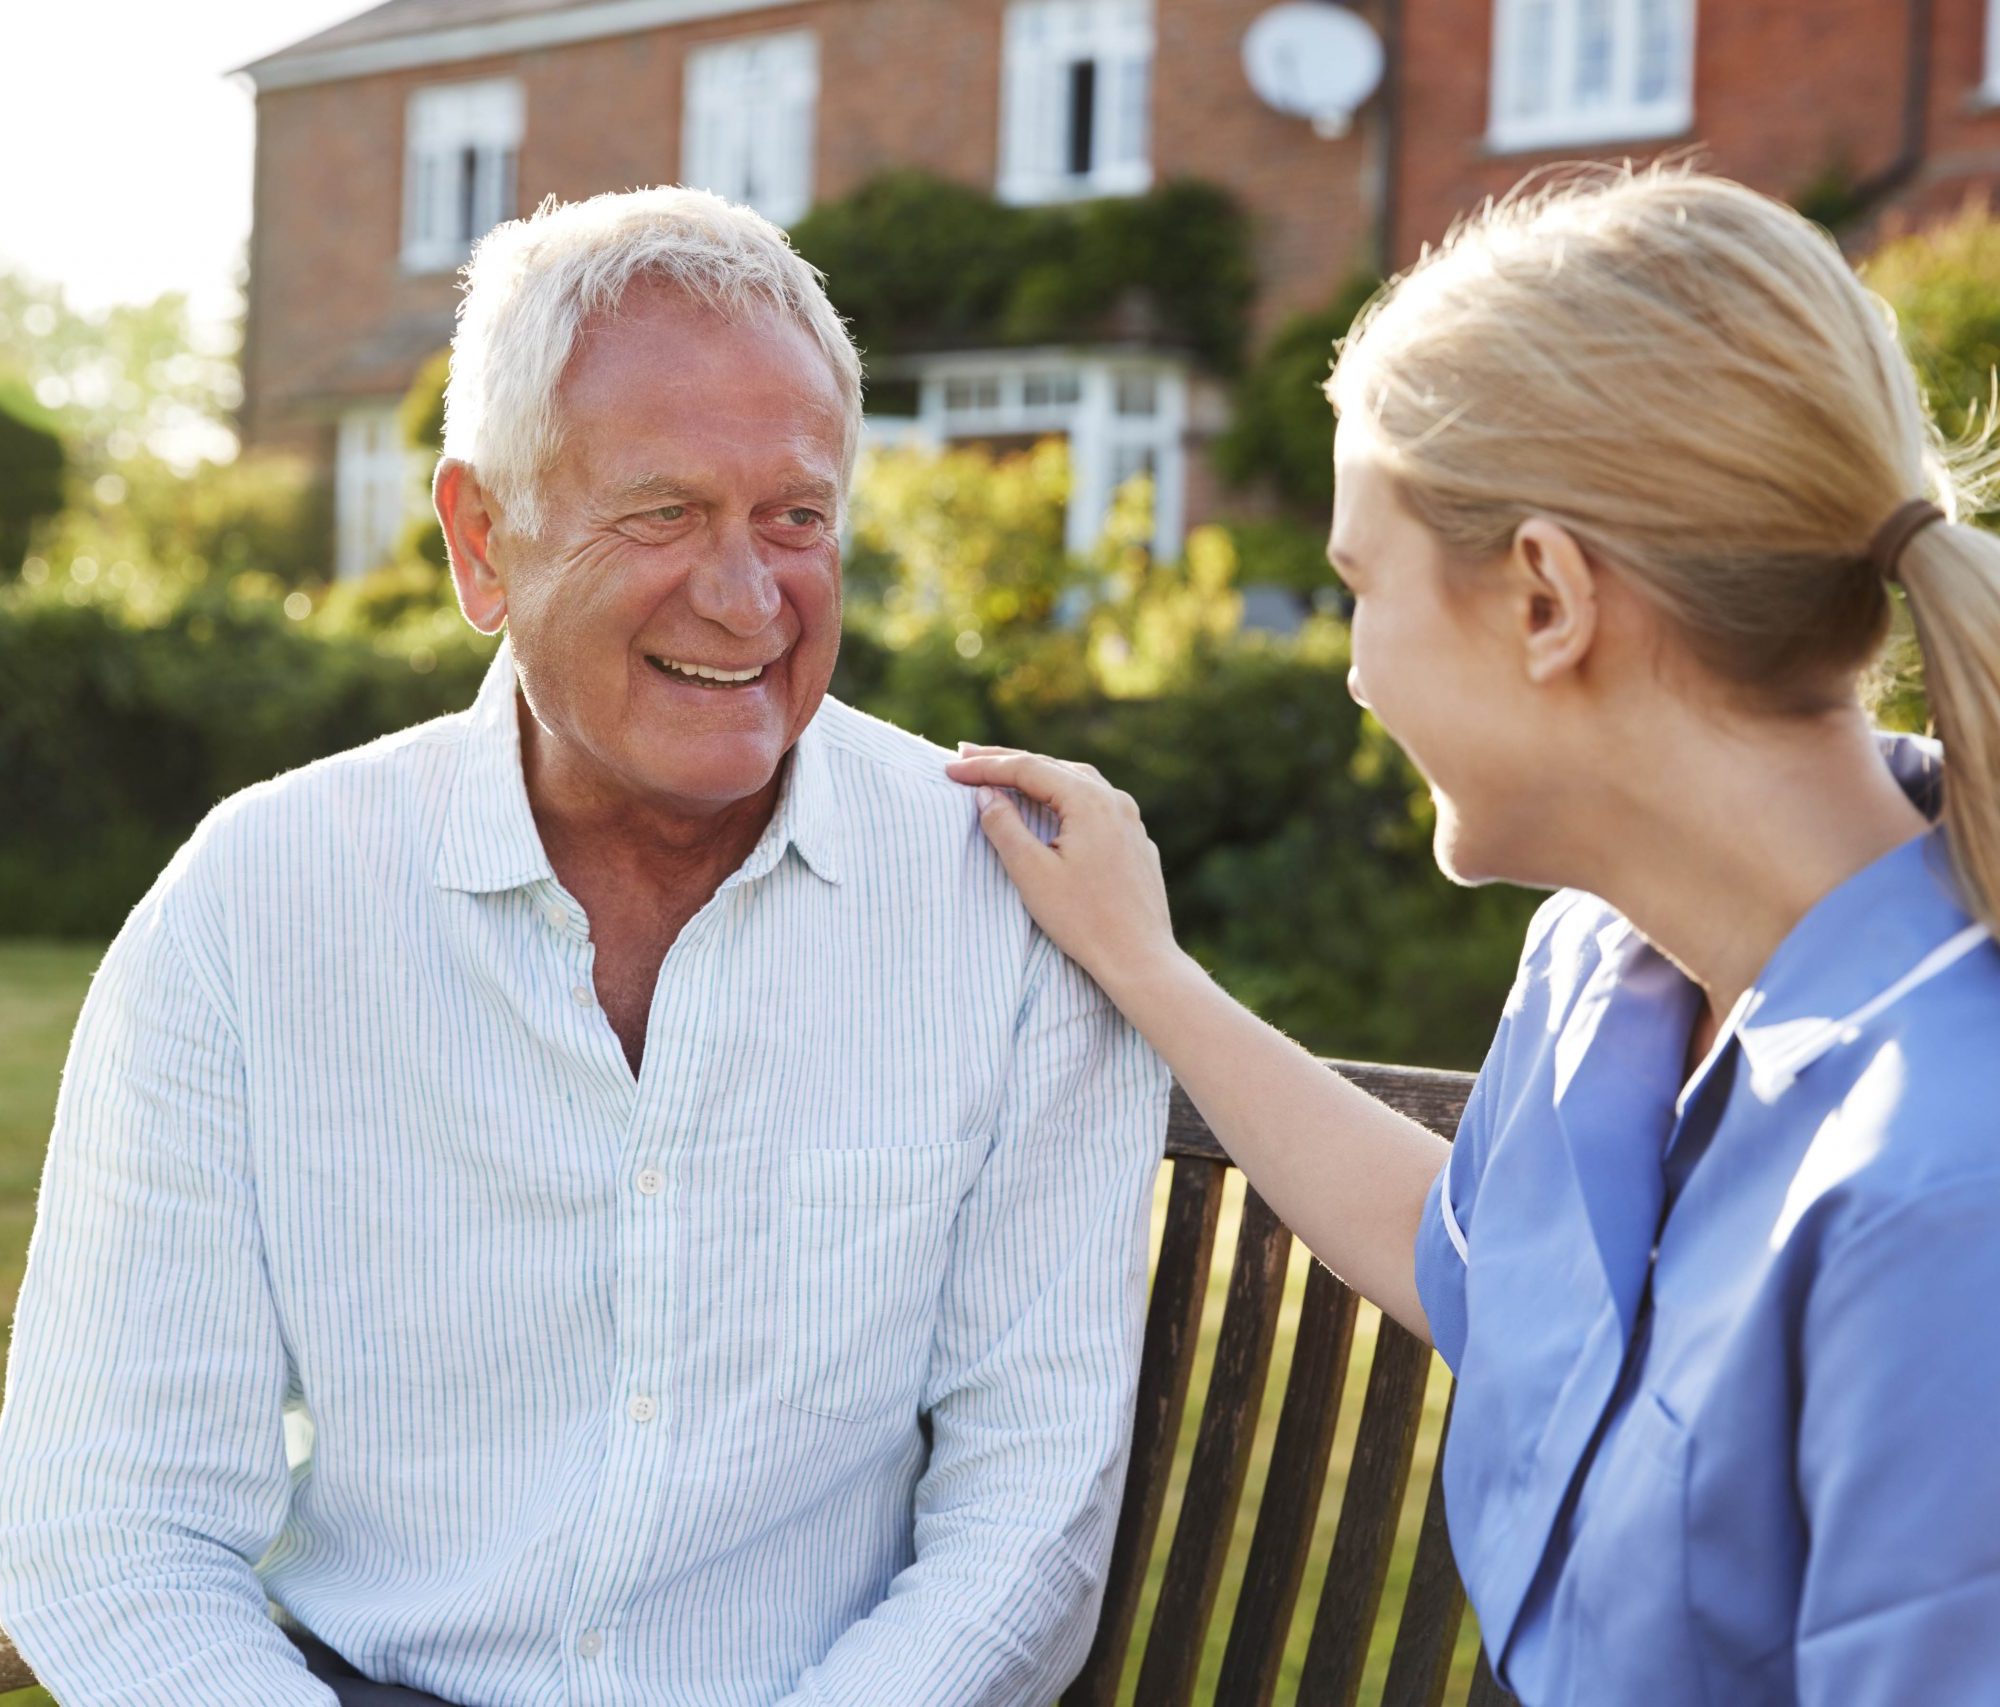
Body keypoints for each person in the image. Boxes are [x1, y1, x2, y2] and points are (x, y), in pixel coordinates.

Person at [0, 187, 1168, 1706]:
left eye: (795, 517)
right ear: (481, 540)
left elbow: (1031, 1514)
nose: (747, 595)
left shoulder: (1004, 904)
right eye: (662, 512)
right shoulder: (257, 903)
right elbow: (116, 1519)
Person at [948, 165, 2000, 1704]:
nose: (1357, 673)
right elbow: (1466, 1264)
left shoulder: (1944, 1195)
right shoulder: (1602, 969)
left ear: (1547, 598)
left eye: (1363, 587)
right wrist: (1145, 968)